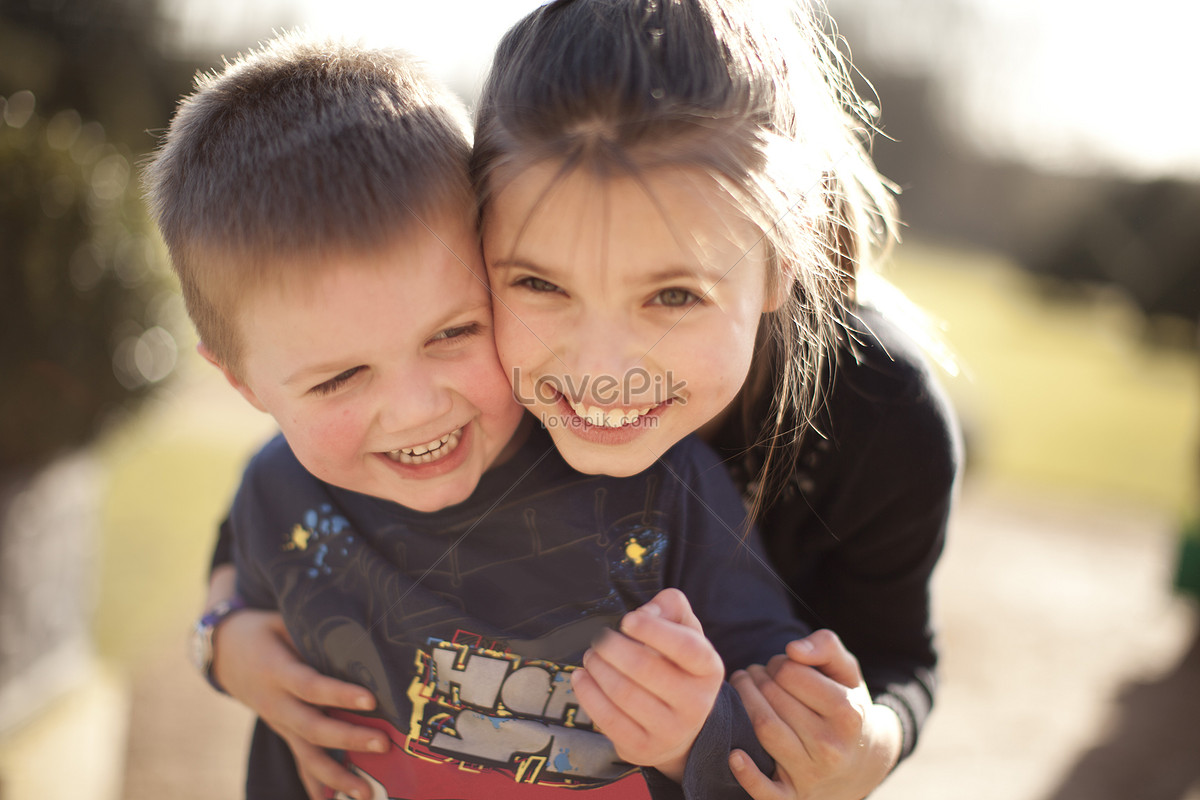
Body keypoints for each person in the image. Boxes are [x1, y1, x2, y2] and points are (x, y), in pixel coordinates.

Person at [201, 2, 961, 799]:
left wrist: (867, 741)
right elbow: (296, 481)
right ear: (476, 239)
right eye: (539, 284)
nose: (601, 372)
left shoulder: (878, 409)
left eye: (673, 295)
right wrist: (222, 635)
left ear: (779, 264)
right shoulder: (458, 366)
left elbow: (894, 654)